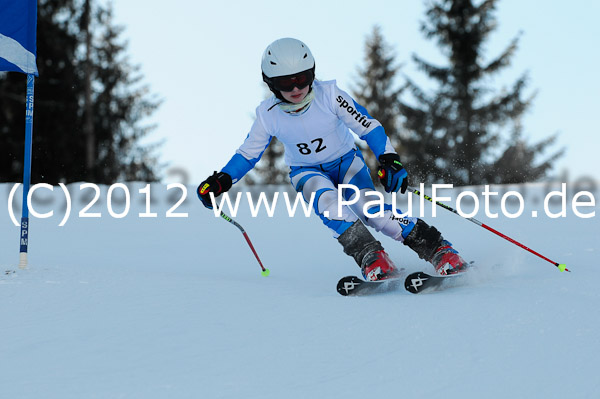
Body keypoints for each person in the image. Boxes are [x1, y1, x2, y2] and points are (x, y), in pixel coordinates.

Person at [197, 37, 468, 281]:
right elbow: (248, 153)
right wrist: (221, 180)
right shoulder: (268, 114)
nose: (295, 88)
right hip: (306, 171)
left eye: (302, 78)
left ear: (312, 74)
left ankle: (439, 249)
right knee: (329, 204)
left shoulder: (329, 95)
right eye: (284, 82)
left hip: (346, 163)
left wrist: (389, 159)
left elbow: (368, 126)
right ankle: (372, 257)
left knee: (371, 209)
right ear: (270, 83)